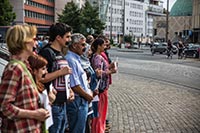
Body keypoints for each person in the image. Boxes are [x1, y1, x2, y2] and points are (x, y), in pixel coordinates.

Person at [0, 24, 50, 132]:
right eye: (34, 39)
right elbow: (5, 107)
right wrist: (35, 114)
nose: (36, 43)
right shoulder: (14, 68)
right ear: (24, 42)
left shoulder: (23, 66)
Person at [39, 23, 74, 133]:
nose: (69, 40)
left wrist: (70, 91)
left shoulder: (61, 53)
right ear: (58, 37)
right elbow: (41, 78)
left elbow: (64, 78)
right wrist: (60, 72)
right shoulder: (46, 52)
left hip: (62, 103)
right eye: (67, 37)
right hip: (53, 104)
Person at [65, 33, 94, 133]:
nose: (85, 47)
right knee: (77, 129)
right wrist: (87, 96)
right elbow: (74, 85)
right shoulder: (71, 60)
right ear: (74, 45)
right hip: (78, 101)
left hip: (81, 100)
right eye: (82, 45)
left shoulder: (76, 59)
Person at [90, 38, 116, 133]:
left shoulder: (97, 56)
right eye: (103, 45)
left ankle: (99, 129)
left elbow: (102, 69)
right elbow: (99, 73)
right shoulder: (97, 57)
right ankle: (98, 130)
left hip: (101, 89)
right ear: (99, 46)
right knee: (99, 113)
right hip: (100, 89)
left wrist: (109, 66)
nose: (105, 47)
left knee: (100, 113)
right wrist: (111, 71)